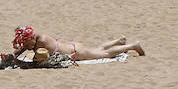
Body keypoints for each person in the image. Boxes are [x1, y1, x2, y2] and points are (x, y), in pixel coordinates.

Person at [12, 25, 145, 60]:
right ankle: (119, 41)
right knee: (97, 49)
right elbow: (25, 47)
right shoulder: (36, 37)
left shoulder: (42, 42)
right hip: (73, 46)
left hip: (76, 52)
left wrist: (17, 61)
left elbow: (38, 61)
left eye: (25, 43)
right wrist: (14, 54)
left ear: (30, 39)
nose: (25, 46)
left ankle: (133, 45)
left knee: (105, 54)